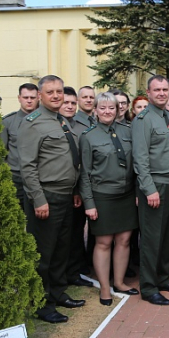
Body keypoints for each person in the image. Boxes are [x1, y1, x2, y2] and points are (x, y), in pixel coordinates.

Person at [18, 75, 85, 323]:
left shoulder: (61, 120)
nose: (56, 96)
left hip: (65, 196)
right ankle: (41, 303)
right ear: (40, 95)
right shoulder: (32, 123)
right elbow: (27, 166)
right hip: (46, 196)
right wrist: (38, 199)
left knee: (60, 250)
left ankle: (57, 293)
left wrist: (75, 190)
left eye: (59, 91)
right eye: (50, 92)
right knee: (43, 254)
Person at [78, 92, 138, 306]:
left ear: (118, 109)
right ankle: (105, 287)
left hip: (126, 194)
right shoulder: (88, 136)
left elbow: (136, 165)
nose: (107, 112)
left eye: (111, 108)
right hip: (102, 196)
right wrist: (89, 203)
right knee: (103, 242)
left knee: (124, 240)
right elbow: (84, 173)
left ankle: (119, 282)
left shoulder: (127, 131)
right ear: (95, 110)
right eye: (102, 108)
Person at [132, 75, 169, 305]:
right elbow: (140, 158)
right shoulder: (143, 120)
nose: (162, 93)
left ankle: (163, 279)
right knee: (152, 240)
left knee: (167, 237)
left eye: (165, 90)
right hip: (155, 185)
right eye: (157, 90)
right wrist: (149, 189)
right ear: (148, 92)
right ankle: (148, 287)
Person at [60, 87, 93, 288]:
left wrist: (78, 190)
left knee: (76, 232)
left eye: (73, 103)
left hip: (79, 188)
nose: (70, 106)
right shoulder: (53, 126)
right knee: (62, 236)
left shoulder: (81, 127)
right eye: (66, 102)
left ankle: (74, 270)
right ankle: (61, 274)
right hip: (60, 189)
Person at [0, 82, 39, 210]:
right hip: (16, 179)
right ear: (19, 98)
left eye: (32, 97)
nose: (29, 101)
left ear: (38, 97)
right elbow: (0, 153)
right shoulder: (8, 122)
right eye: (25, 97)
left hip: (40, 178)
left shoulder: (45, 121)